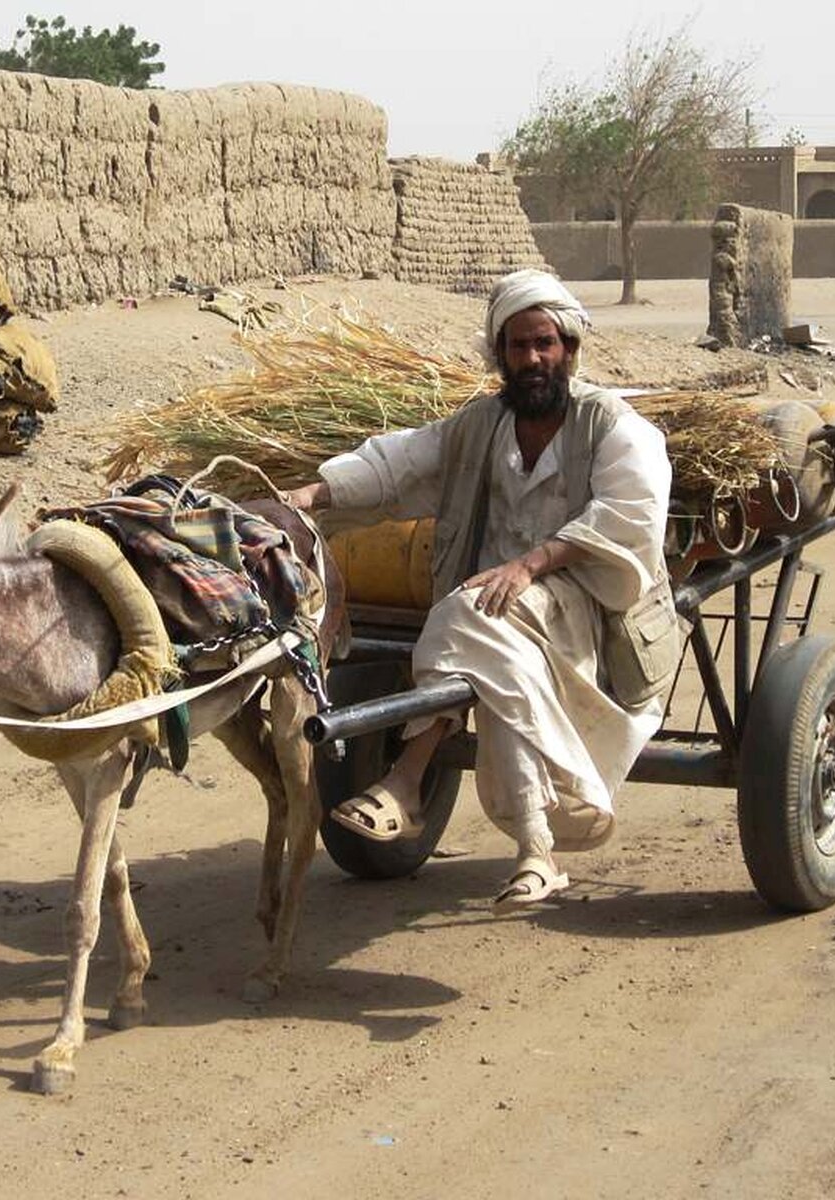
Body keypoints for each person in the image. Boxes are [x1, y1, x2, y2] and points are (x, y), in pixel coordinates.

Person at [284, 269, 679, 910]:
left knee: (466, 615)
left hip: (583, 603)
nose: (533, 359)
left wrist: (530, 565)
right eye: (519, 346)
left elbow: (628, 515)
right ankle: (535, 849)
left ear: (569, 349)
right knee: (494, 647)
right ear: (501, 354)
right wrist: (315, 494)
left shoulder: (613, 426)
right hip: (497, 611)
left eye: (545, 344)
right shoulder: (479, 426)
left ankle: (407, 779)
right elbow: (398, 463)